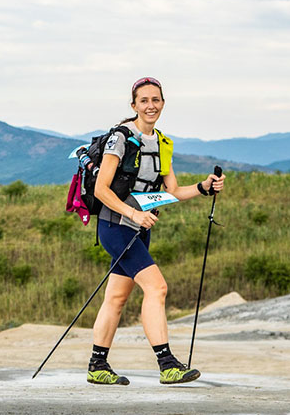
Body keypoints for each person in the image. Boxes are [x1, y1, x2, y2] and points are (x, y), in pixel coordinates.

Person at [86, 77, 225, 386]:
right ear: (134, 105)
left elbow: (171, 191)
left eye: (156, 100)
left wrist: (204, 188)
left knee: (117, 297)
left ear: (163, 103)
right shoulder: (121, 139)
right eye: (144, 100)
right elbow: (101, 189)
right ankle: (166, 363)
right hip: (115, 225)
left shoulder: (163, 143)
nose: (151, 105)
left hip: (139, 229)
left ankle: (97, 365)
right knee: (157, 287)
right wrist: (134, 212)